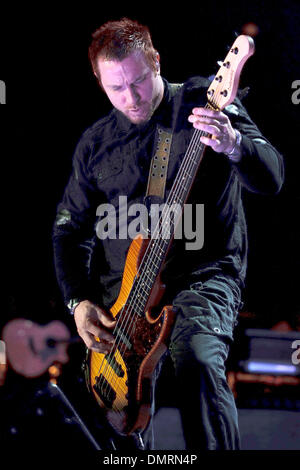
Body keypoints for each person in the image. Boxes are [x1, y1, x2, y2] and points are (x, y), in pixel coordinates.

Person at [52, 17, 284, 450]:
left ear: (156, 62)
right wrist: (79, 301)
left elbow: (272, 177)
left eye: (139, 81)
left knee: (195, 360)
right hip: (123, 297)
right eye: (116, 88)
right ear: (99, 82)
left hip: (201, 278)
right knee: (88, 405)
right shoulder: (96, 143)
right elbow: (69, 232)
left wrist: (233, 144)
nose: (132, 98)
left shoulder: (203, 99)